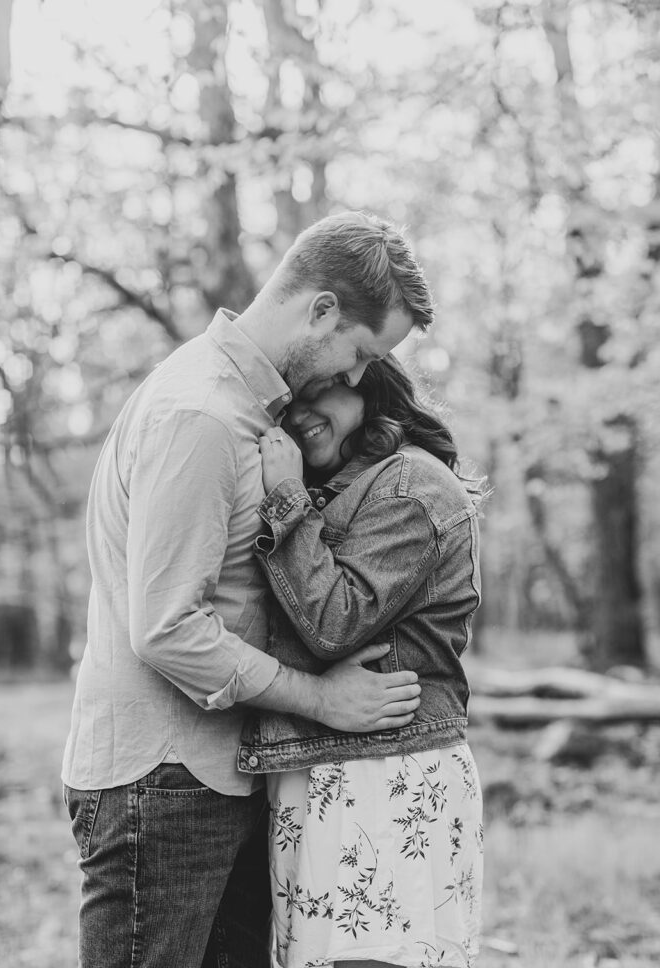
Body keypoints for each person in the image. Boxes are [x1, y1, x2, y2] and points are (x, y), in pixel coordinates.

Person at [61, 211, 434, 968]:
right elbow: (166, 628)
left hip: (213, 776)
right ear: (321, 309)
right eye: (360, 353)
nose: (358, 377)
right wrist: (319, 697)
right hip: (160, 782)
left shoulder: (245, 410)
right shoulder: (200, 412)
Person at [238, 355, 485, 968]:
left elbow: (333, 622)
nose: (296, 415)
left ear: (367, 378)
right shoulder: (358, 481)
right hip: (339, 768)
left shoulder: (409, 485)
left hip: (382, 777)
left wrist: (288, 500)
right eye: (284, 404)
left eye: (313, 391)